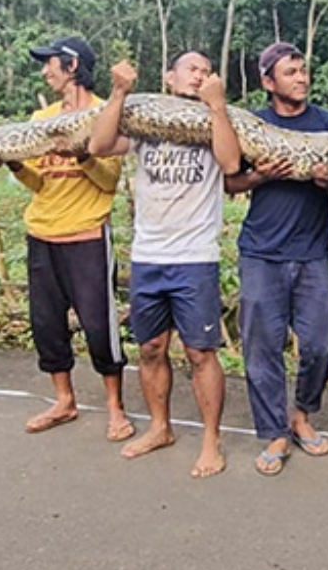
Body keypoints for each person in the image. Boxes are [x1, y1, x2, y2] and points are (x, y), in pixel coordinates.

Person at [86, 51, 240, 478]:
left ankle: (211, 440)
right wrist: (119, 92)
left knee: (200, 352)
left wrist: (217, 105)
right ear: (169, 77)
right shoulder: (146, 123)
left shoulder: (214, 119)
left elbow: (230, 164)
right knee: (151, 348)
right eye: (191, 68)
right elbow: (98, 145)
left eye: (206, 71)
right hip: (148, 256)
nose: (199, 75)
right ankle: (160, 428)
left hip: (195, 258)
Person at [225, 42, 328, 476]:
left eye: (303, 70)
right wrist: (262, 175)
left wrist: (325, 180)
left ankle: (302, 414)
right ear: (268, 81)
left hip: (312, 252)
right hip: (261, 252)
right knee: (262, 349)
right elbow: (230, 182)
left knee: (321, 343)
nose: (301, 77)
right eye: (290, 72)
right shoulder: (252, 124)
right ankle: (275, 431)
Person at [6, 36, 131, 442]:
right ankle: (63, 400)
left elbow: (109, 181)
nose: (45, 71)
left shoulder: (105, 114)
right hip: (41, 233)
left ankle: (116, 407)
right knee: (46, 325)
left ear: (72, 65)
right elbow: (37, 182)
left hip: (88, 235)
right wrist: (12, 162)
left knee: (99, 326)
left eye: (50, 64)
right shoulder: (40, 118)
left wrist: (82, 155)